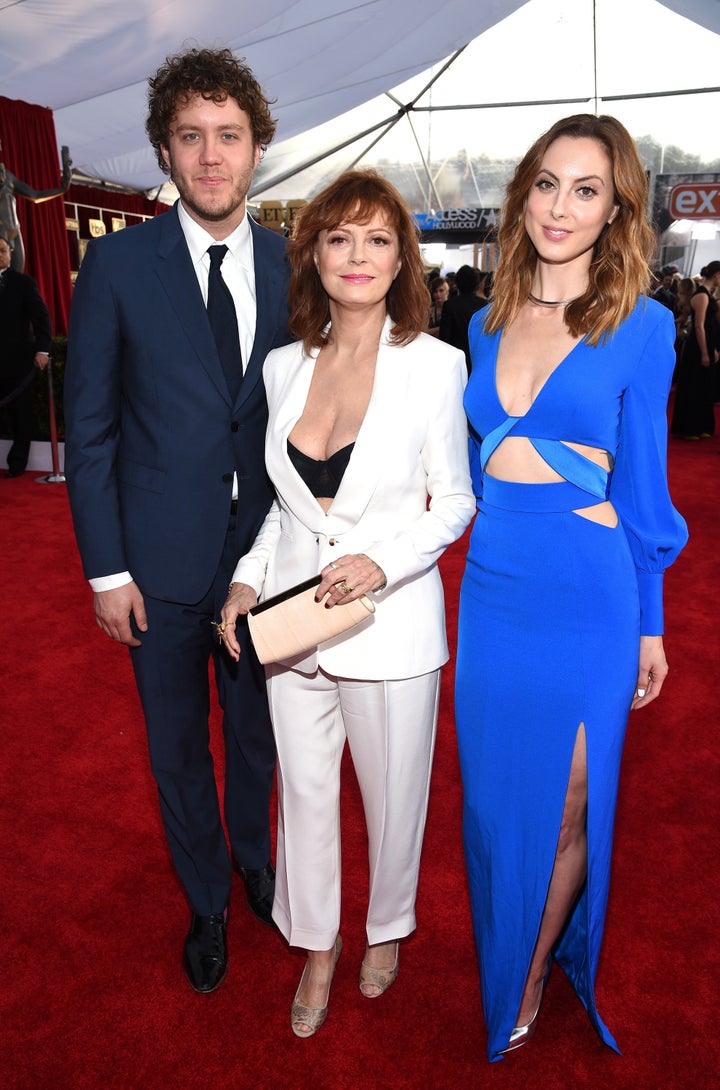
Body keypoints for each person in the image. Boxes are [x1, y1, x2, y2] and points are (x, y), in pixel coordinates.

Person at [219, 169, 474, 1037]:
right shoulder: (287, 363)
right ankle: (318, 943)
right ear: (315, 255)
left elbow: (455, 501)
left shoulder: (436, 366)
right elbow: (282, 507)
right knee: (305, 792)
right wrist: (249, 578)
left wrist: (384, 562)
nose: (356, 255)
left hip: (392, 626)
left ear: (401, 254)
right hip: (293, 626)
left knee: (396, 798)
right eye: (338, 238)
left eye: (375, 238)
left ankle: (387, 928)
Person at [455, 114, 688, 1061]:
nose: (560, 206)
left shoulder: (645, 326)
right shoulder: (480, 321)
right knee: (495, 801)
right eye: (546, 183)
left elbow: (645, 490)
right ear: (522, 194)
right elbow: (471, 470)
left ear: (616, 208)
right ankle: (517, 934)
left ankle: (533, 964)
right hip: (493, 586)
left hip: (592, 595)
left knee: (570, 800)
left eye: (586, 189)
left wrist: (652, 625)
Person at [63, 47, 290, 994]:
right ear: (165, 147)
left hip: (269, 560)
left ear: (255, 149)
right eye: (191, 137)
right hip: (153, 563)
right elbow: (91, 425)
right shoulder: (115, 264)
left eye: (227, 136)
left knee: (256, 736)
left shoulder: (295, 261)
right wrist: (105, 571)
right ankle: (206, 902)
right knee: (175, 749)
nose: (210, 156)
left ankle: (256, 864)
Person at [0, 235, 52, 476]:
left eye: (2, 250)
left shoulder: (23, 283)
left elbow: (41, 318)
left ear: (10, 254)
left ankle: (17, 465)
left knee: (21, 416)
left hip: (18, 365)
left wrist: (43, 349)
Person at [0, 146, 72, 272]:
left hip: (14, 231)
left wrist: (62, 189)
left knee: (17, 278)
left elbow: (35, 195)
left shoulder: (8, 176)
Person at [670, 261, 720, 439]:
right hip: (698, 348)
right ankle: (689, 427)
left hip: (705, 345)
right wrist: (705, 352)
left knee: (704, 387)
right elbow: (699, 326)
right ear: (716, 275)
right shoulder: (702, 296)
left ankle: (700, 425)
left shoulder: (708, 294)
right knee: (694, 387)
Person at [439, 264, 489, 371]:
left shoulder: (449, 305)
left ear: (457, 283)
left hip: (456, 361)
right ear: (476, 284)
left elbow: (444, 338)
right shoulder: (484, 305)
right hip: (478, 359)